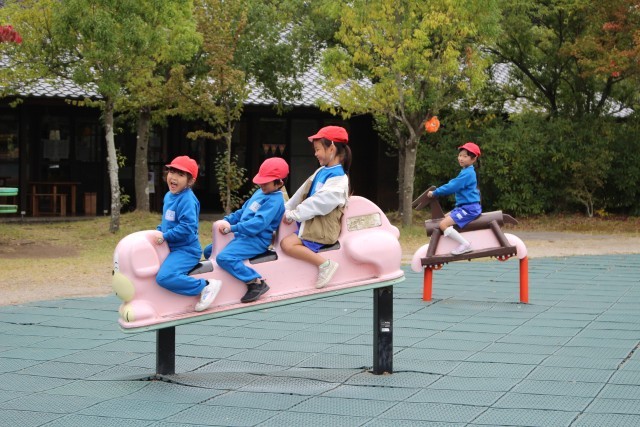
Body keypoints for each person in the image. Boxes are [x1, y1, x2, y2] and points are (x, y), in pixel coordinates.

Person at [205, 157, 289, 303]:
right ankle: (223, 280)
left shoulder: (275, 200)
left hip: (256, 240)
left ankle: (255, 282)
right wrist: (227, 220)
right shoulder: (260, 192)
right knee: (208, 251)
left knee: (224, 257)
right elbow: (242, 212)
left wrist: (232, 228)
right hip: (242, 235)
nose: (261, 184)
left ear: (279, 183)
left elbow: (258, 224)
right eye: (261, 181)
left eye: (266, 182)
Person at [281, 125, 351, 289]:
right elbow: (301, 192)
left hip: (322, 229)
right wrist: (285, 208)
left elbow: (319, 203)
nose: (315, 153)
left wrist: (294, 214)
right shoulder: (321, 171)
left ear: (331, 148)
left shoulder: (339, 179)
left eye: (318, 149)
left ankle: (325, 264)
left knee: (287, 244)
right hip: (312, 223)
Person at [155, 155, 222, 312]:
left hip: (186, 250)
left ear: (190, 181)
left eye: (180, 174)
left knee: (164, 277)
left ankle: (205, 286)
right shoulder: (169, 196)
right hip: (171, 247)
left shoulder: (187, 200)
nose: (173, 177)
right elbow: (168, 222)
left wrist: (165, 236)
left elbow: (187, 228)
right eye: (172, 172)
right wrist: (158, 231)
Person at [427, 142, 482, 255]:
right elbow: (454, 183)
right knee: (442, 218)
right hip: (464, 207)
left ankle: (465, 244)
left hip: (469, 209)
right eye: (460, 155)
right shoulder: (465, 171)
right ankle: (445, 243)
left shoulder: (468, 173)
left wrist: (436, 193)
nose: (461, 158)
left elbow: (453, 186)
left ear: (473, 159)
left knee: (443, 224)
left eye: (465, 156)